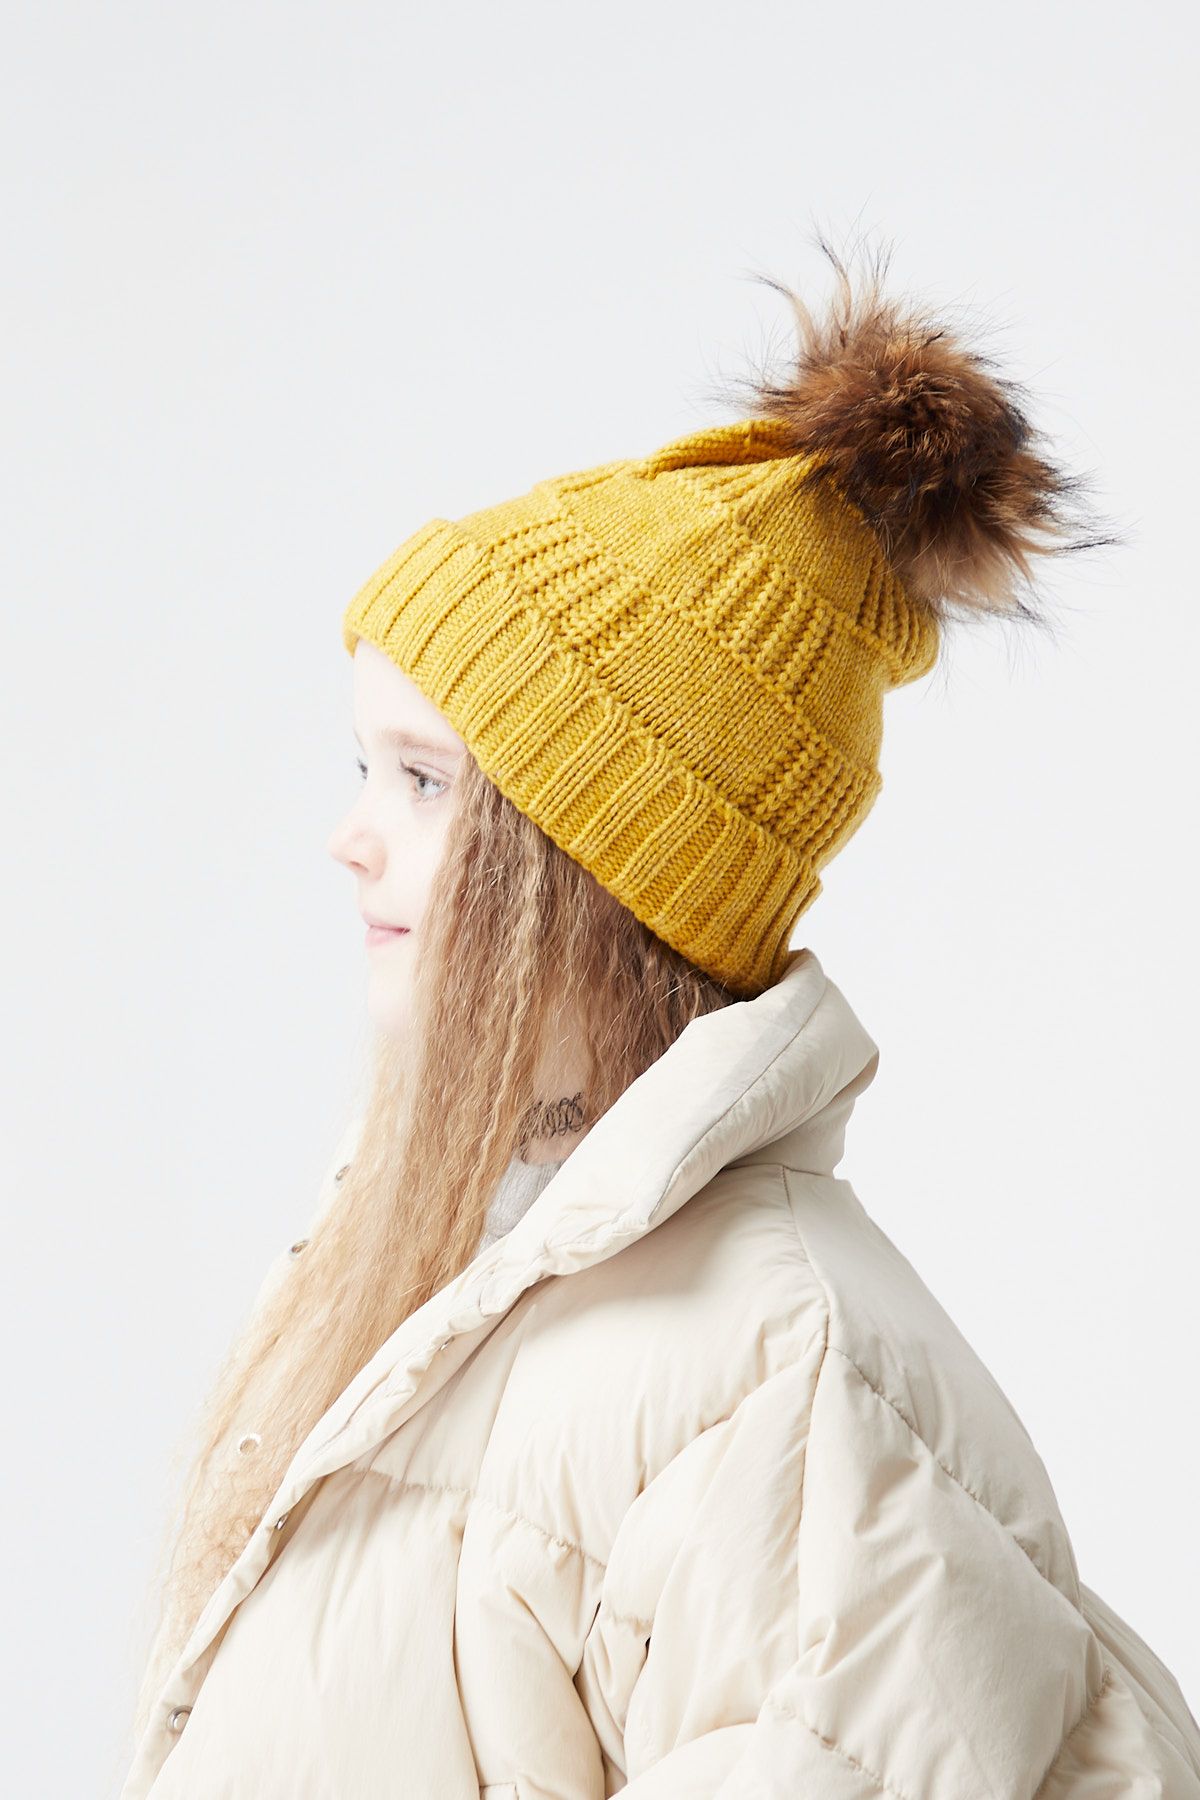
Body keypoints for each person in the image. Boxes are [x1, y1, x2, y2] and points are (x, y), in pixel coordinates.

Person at [119, 237, 1200, 1798]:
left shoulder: (778, 1375)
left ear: (600, 867)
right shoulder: (463, 1265)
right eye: (364, 769)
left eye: (424, 783)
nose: (349, 837)